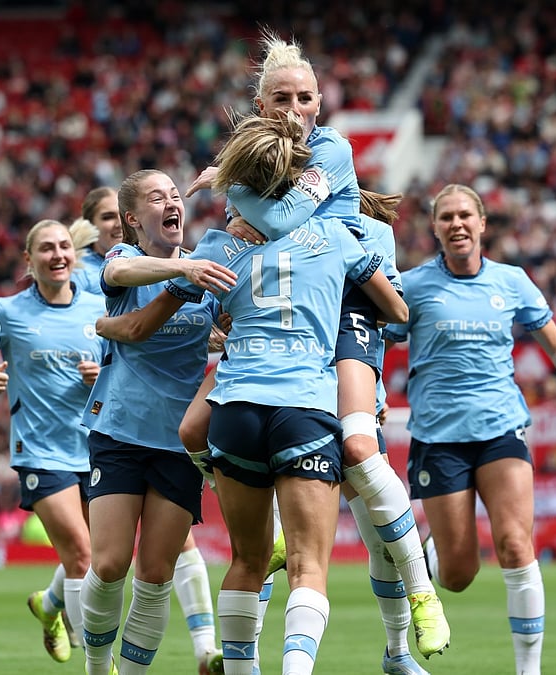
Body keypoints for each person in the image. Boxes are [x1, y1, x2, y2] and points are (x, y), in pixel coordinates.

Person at [101, 111, 409, 675]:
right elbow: (398, 310)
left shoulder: (219, 249)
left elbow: (149, 324)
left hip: (234, 413)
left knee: (239, 557)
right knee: (310, 563)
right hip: (305, 406)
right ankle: (415, 603)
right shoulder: (333, 230)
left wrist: (113, 326)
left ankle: (249, 666)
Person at [184, 29, 450, 669]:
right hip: (284, 318)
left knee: (358, 449)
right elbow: (247, 239)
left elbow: (273, 222)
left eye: (307, 97)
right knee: (197, 429)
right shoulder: (248, 174)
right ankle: (270, 547)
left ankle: (420, 596)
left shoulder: (330, 147)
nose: (296, 110)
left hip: (348, 295)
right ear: (260, 105)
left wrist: (231, 182)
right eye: (282, 99)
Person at [382, 184, 556, 675]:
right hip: (438, 438)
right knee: (457, 575)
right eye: (446, 216)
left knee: (516, 545)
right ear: (434, 228)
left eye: (464, 215)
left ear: (482, 223)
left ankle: (528, 670)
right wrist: (372, 392)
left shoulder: (512, 281)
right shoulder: (413, 285)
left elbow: (555, 338)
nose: (456, 224)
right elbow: (376, 342)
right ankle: (426, 557)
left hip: (501, 429)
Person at [79, 168, 237, 675]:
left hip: (178, 442)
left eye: (175, 194)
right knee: (107, 564)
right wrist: (182, 273)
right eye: (156, 197)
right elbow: (121, 278)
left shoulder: (203, 271)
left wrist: (223, 334)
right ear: (132, 218)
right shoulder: (123, 259)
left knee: (154, 576)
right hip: (120, 431)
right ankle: (97, 667)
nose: (171, 202)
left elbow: (227, 327)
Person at [0, 219, 106, 665]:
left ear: (74, 256)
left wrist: (106, 376)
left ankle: (50, 605)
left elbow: (127, 370)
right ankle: (99, 662)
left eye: (64, 246)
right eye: (46, 248)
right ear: (29, 260)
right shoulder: (7, 312)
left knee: (100, 560)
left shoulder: (99, 308)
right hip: (41, 452)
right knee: (81, 555)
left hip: (97, 447)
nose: (58, 254)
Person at [73, 186, 122, 294]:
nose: (119, 224)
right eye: (108, 217)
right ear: (90, 225)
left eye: (123, 215)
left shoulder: (148, 258)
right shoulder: (77, 272)